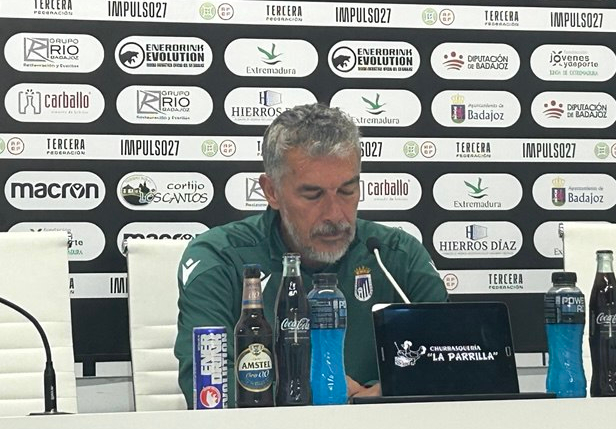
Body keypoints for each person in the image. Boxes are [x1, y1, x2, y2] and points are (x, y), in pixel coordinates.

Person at [174, 103, 448, 408]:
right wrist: (317, 390)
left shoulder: (396, 256)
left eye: (347, 191)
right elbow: (211, 391)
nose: (335, 215)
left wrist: (380, 395)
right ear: (272, 191)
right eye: (313, 195)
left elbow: (452, 367)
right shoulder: (221, 258)